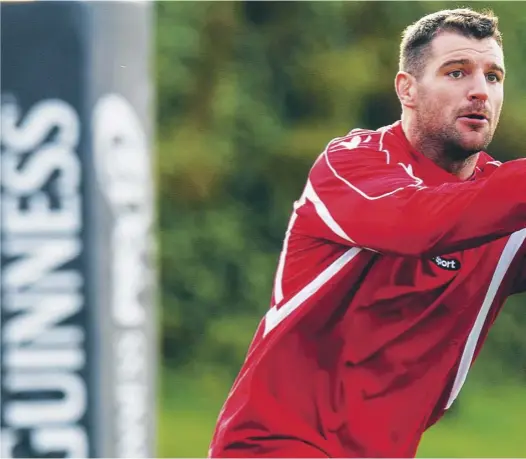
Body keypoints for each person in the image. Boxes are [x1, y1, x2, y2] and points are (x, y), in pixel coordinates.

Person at [209, 8, 523, 458]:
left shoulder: (502, 204)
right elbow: (420, 224)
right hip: (278, 445)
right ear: (407, 89)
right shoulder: (352, 163)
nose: (479, 90)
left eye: (494, 77)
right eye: (457, 72)